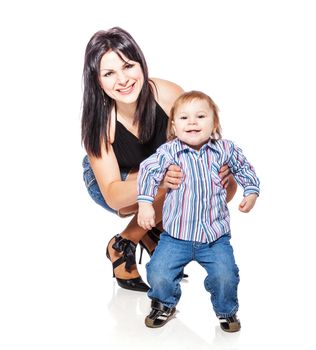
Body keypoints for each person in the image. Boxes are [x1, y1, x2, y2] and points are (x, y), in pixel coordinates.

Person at [81, 27, 237, 293]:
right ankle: (124, 244)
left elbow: (205, 145)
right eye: (109, 73)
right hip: (116, 182)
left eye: (128, 66)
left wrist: (226, 173)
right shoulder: (99, 124)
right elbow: (113, 196)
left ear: (141, 63)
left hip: (166, 176)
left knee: (193, 180)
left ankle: (146, 233)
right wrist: (160, 180)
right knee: (177, 180)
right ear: (97, 81)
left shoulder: (167, 94)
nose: (123, 80)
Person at [137, 90, 260, 331]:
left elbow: (245, 168)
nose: (192, 122)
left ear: (214, 123)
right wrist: (145, 204)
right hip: (176, 236)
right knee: (158, 272)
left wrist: (251, 191)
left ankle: (226, 311)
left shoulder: (225, 150)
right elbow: (148, 171)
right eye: (184, 118)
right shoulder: (169, 151)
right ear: (173, 126)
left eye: (201, 116)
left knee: (226, 276)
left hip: (215, 238)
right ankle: (164, 303)